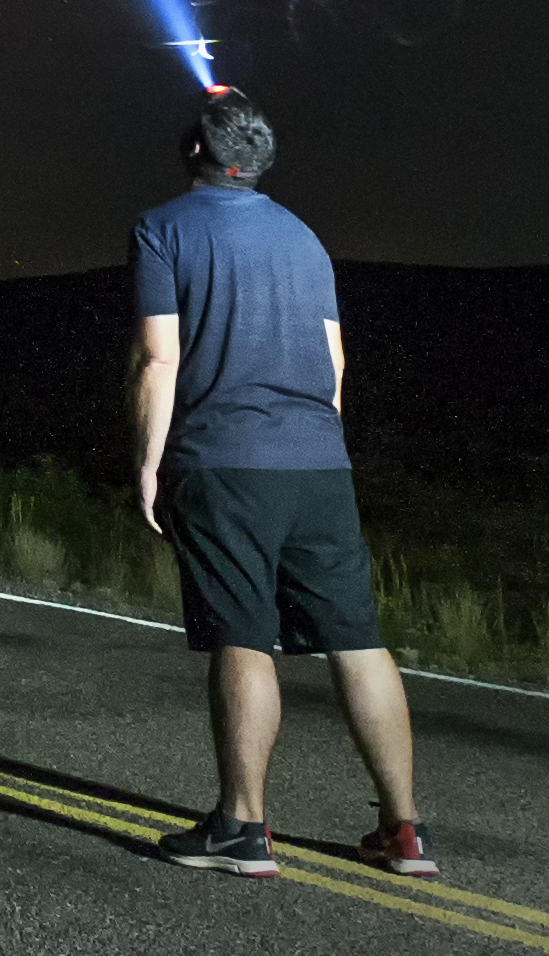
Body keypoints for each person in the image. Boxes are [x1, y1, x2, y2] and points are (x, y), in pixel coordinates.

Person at [131, 83, 438, 880]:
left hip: (226, 461)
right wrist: (316, 436)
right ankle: (404, 834)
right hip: (319, 461)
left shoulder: (162, 228)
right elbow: (334, 363)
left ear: (196, 151)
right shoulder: (305, 238)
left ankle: (242, 828)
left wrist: (148, 462)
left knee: (241, 633)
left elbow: (160, 359)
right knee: (358, 639)